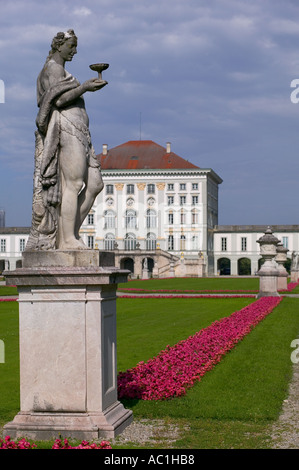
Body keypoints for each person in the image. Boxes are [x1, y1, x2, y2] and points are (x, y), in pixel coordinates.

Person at [26, 29, 107, 250]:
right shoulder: (52, 69)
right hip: (67, 129)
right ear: (59, 45)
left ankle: (67, 234)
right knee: (73, 184)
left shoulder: (61, 70)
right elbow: (58, 100)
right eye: (71, 46)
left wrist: (84, 88)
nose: (75, 51)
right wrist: (84, 88)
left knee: (95, 184)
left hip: (81, 132)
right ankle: (67, 240)